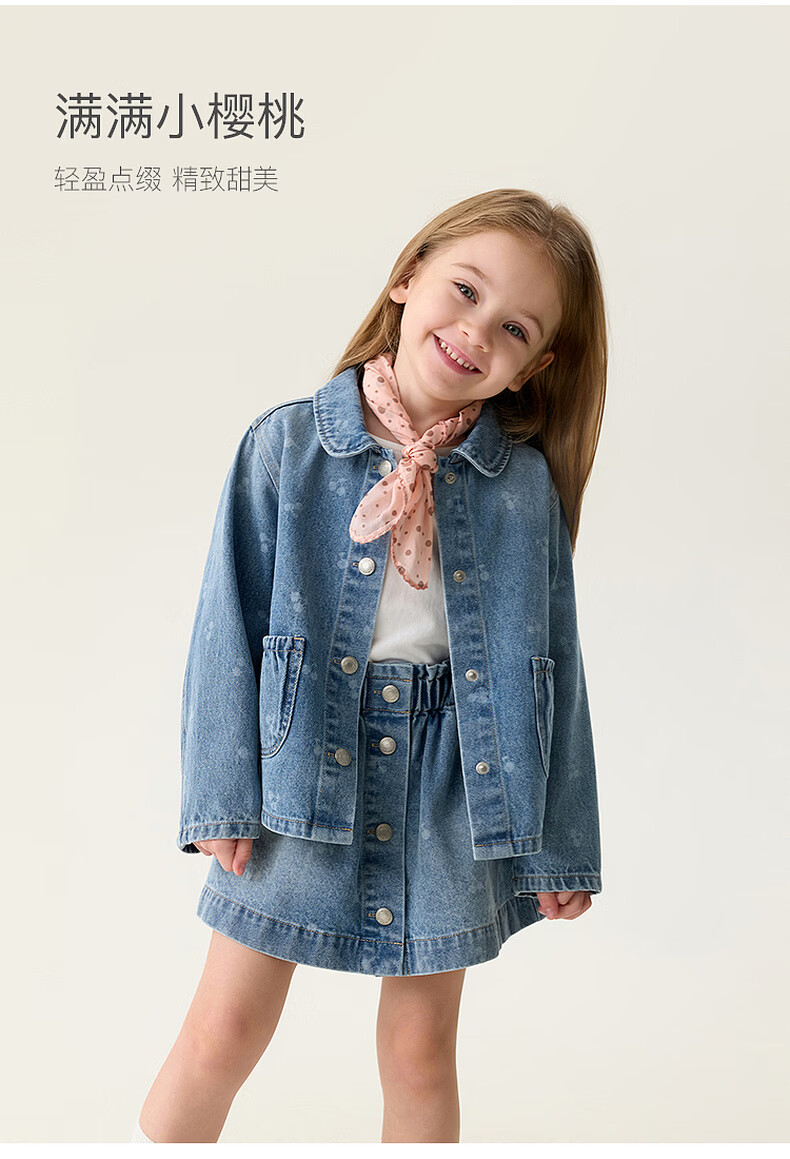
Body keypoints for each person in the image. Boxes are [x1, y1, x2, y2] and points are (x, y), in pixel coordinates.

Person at [131, 188, 607, 1144]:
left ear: (534, 367)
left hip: (454, 787)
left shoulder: (522, 490)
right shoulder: (286, 445)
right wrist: (222, 795)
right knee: (223, 1030)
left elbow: (553, 666)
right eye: (464, 290)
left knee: (422, 1050)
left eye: (513, 328)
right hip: (301, 768)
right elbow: (227, 625)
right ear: (407, 277)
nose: (476, 331)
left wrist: (562, 843)